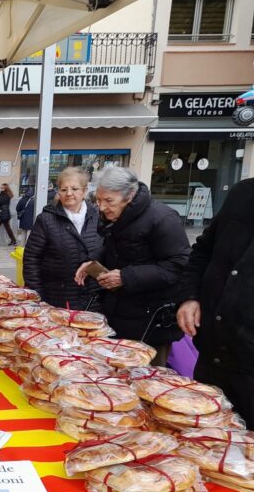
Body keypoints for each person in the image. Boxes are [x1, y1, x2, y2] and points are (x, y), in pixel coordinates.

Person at [75, 167, 190, 364]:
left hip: (151, 320)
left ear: (129, 196)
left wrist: (126, 277)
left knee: (146, 381)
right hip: (118, 313)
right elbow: (112, 248)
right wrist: (93, 262)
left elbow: (177, 266)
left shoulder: (162, 219)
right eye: (99, 200)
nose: (101, 207)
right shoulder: (116, 217)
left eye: (109, 201)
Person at [175, 178, 254, 425]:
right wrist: (190, 297)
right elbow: (202, 250)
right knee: (200, 439)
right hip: (212, 355)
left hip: (249, 366)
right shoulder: (243, 192)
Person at [23, 167, 101, 310]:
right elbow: (31, 259)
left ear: (84, 191)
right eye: (64, 189)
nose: (69, 194)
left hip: (92, 298)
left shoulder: (98, 216)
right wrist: (37, 295)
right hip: (55, 298)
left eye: (75, 189)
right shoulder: (46, 219)